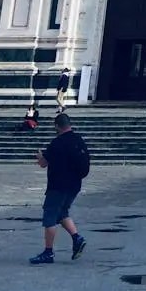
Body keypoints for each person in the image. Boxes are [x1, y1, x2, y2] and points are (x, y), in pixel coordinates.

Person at [30, 112, 89, 264]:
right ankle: (77, 238)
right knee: (62, 212)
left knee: (50, 216)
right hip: (75, 185)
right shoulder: (79, 140)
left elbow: (44, 163)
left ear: (57, 126)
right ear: (69, 124)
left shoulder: (57, 143)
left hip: (57, 186)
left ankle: (48, 252)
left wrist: (39, 157)